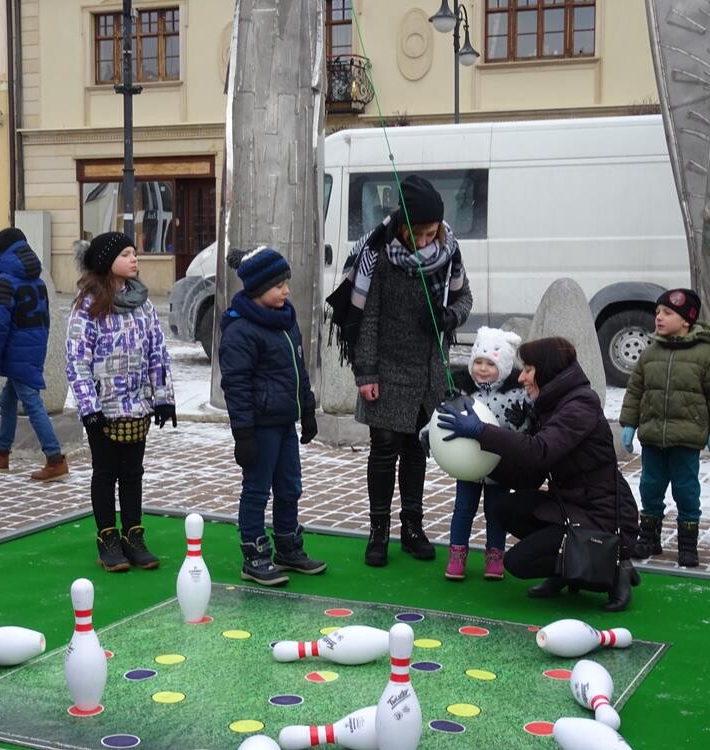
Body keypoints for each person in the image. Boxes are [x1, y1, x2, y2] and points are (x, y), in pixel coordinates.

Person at [327, 174, 473, 567]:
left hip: (427, 371)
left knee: (415, 449)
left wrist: (446, 318)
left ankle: (412, 527)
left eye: (432, 233)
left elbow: (465, 299)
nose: (427, 241)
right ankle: (378, 531)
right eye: (419, 234)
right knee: (384, 448)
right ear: (404, 227)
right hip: (387, 368)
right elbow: (368, 319)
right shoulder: (378, 255)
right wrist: (366, 374)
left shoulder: (448, 252)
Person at [437, 337, 641, 611]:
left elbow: (540, 451)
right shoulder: (551, 404)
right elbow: (530, 475)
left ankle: (615, 569)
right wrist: (478, 458)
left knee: (517, 563)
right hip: (569, 507)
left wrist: (482, 432)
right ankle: (563, 570)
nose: (521, 377)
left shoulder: (580, 405)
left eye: (528, 369)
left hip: (603, 515)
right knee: (503, 507)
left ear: (547, 370)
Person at [65, 231, 176, 572]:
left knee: (133, 473)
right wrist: (89, 407)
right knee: (104, 473)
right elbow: (76, 359)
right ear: (105, 262)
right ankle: (108, 538)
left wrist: (163, 398)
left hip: (137, 406)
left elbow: (157, 351)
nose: (134, 259)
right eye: (126, 253)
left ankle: (134, 535)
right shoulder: (88, 305)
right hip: (103, 409)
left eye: (134, 252)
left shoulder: (142, 303)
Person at [219, 246, 325, 586]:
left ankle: (288, 546)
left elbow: (298, 370)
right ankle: (254, 552)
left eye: (287, 283)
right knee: (257, 489)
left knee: (290, 486)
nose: (286, 291)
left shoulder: (285, 320)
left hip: (285, 423)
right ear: (257, 288)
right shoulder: (241, 330)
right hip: (260, 426)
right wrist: (244, 435)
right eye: (279, 285)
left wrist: (307, 409)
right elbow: (235, 385)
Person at [619, 288, 710, 567]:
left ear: (686, 321)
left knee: (686, 490)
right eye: (658, 312)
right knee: (650, 487)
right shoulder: (650, 353)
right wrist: (629, 423)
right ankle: (649, 538)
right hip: (654, 437)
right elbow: (636, 390)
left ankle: (687, 544)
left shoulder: (705, 355)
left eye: (667, 313)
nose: (659, 317)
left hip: (687, 438)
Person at [0, 227, 68, 481]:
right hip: (33, 348)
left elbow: (0, 325)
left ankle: (55, 458)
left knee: (33, 404)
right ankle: (1, 453)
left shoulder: (5, 282)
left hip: (16, 350)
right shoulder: (36, 280)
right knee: (7, 400)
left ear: (4, 254)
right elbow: (45, 319)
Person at [441, 326, 529, 581]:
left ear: (501, 366)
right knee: (463, 509)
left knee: (496, 511)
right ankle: (457, 553)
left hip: (498, 466)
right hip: (467, 465)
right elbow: (444, 417)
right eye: (477, 362)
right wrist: (428, 435)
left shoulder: (515, 395)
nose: (481, 369)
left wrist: (521, 421)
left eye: (489, 364)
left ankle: (494, 555)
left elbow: (524, 429)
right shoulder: (463, 392)